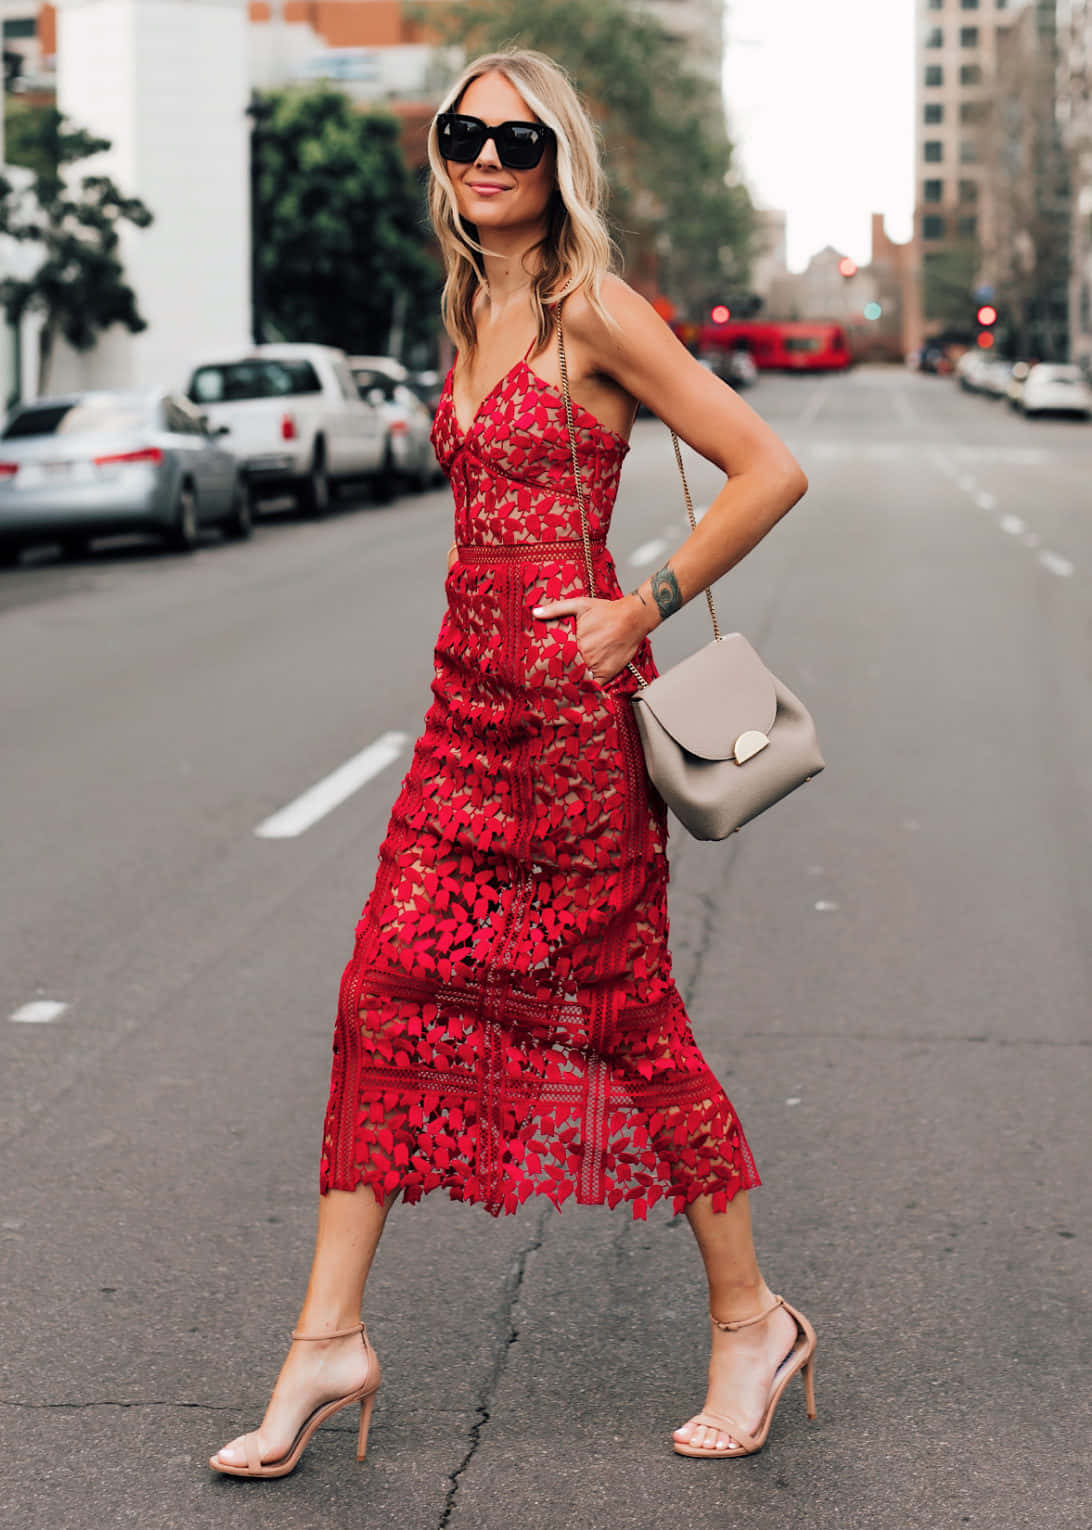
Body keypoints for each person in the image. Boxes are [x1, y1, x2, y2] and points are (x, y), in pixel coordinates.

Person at [210, 48, 814, 1478]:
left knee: (629, 1018)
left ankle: (754, 1320)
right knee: (381, 995)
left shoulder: (589, 304)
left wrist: (640, 606)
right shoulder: (468, 298)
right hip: (462, 716)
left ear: (559, 159)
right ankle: (326, 1340)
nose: (485, 157)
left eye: (516, 138)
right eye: (464, 132)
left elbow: (768, 464)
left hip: (571, 739)